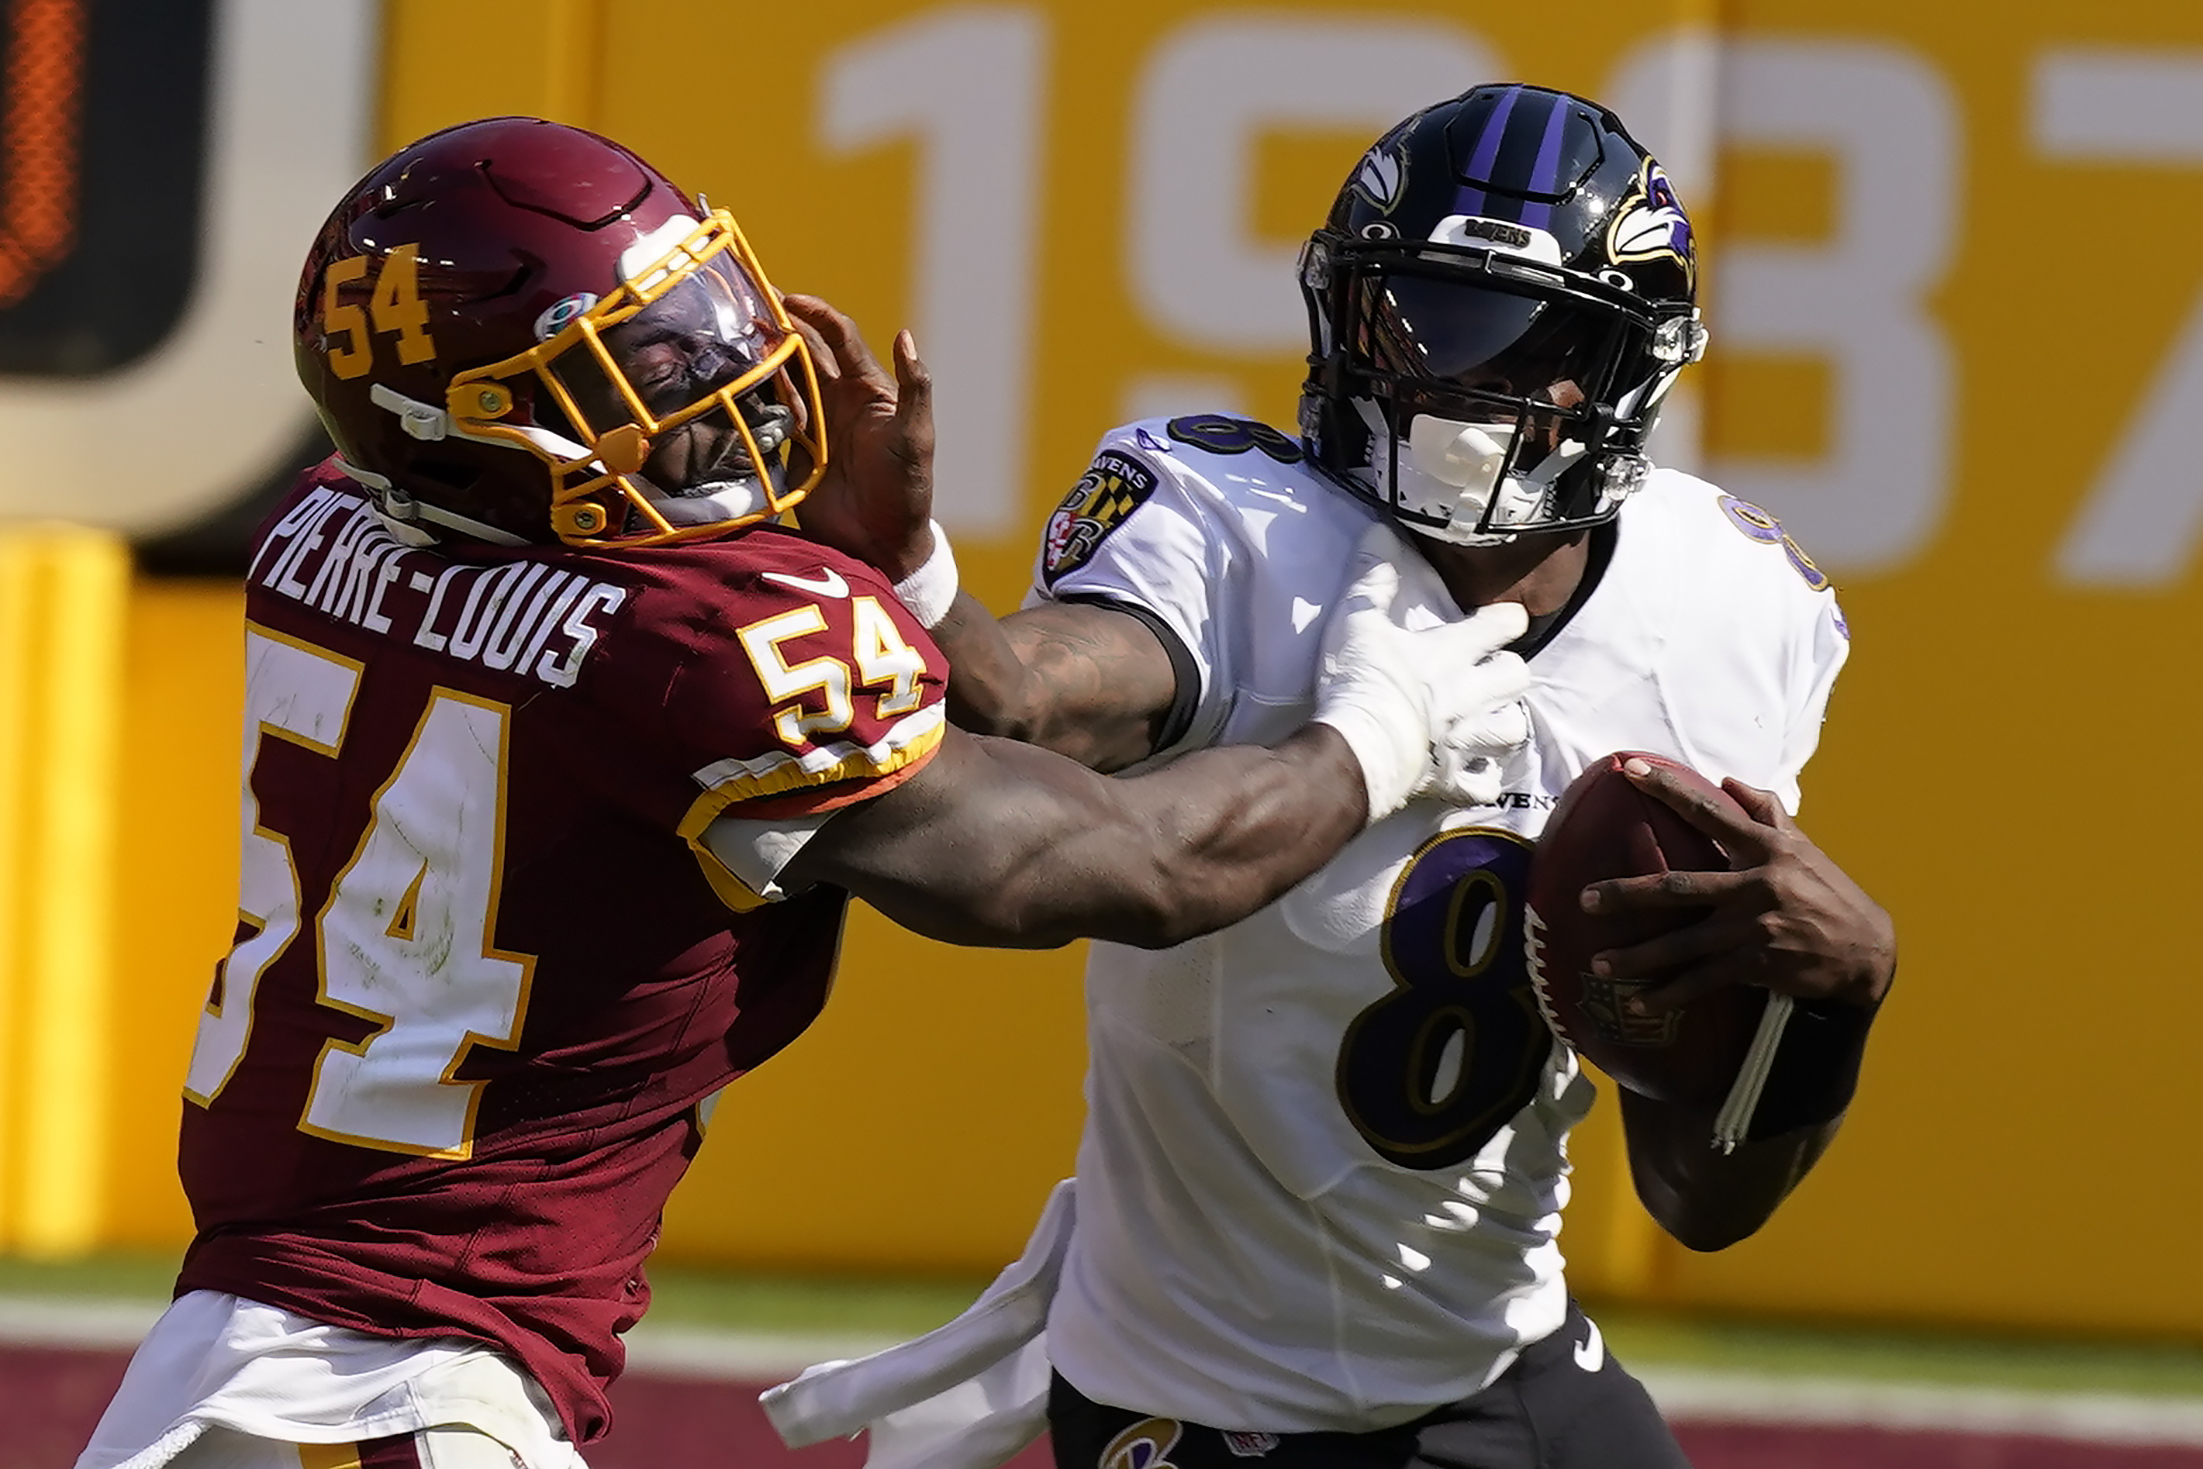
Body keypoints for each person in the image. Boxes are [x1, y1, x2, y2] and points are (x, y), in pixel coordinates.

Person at [73, 116, 1540, 1469]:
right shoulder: (699, 650)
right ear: (483, 438)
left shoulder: (321, 535)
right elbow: (1127, 870)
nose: (719, 390)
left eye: (691, 324)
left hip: (255, 1342)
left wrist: (882, 572)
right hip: (398, 1378)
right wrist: (1373, 731)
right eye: (632, 380)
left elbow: (564, 627)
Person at [765, 84, 1898, 1469]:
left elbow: (1700, 1191)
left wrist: (1831, 1003)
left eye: (1515, 339)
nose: (1446, 379)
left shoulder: (1735, 603)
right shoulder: (1234, 524)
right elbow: (1024, 700)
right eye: (1410, 319)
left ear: (1621, 372)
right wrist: (919, 577)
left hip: (1499, 1358)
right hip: (1201, 1396)